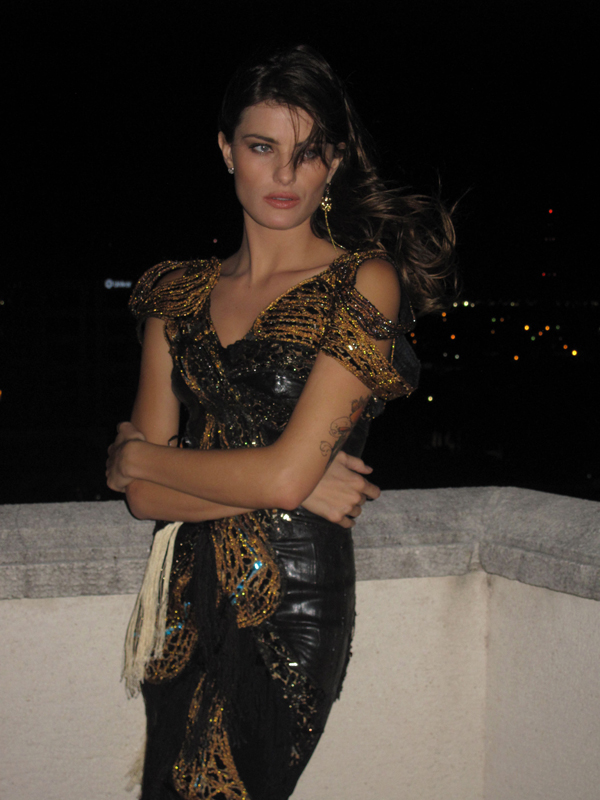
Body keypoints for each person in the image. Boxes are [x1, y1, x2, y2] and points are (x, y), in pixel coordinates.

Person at [106, 44, 455, 800]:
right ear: (227, 149)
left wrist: (140, 459)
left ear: (335, 163)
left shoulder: (361, 282)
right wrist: (279, 481)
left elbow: (272, 474)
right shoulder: (175, 296)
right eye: (263, 148)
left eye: (309, 153)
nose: (286, 175)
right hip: (183, 600)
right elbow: (147, 501)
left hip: (292, 602)